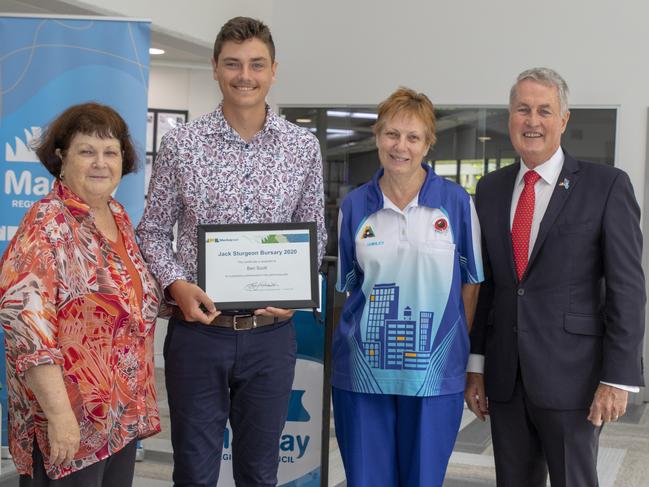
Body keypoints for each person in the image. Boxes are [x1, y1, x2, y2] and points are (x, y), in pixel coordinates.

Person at [136, 16, 326, 487]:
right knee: (194, 473)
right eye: (233, 64)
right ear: (215, 69)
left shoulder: (302, 147)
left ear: (274, 70)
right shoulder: (181, 143)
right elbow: (153, 232)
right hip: (199, 333)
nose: (246, 75)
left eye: (257, 64)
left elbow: (316, 235)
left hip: (271, 335)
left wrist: (297, 290)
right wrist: (177, 286)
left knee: (260, 473)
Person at [465, 67, 646, 486]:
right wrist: (476, 367)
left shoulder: (606, 186)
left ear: (563, 120)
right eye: (522, 109)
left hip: (575, 380)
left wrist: (617, 378)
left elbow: (628, 290)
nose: (532, 121)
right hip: (506, 379)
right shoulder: (490, 189)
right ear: (509, 117)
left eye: (544, 110)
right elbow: (486, 286)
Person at [0, 103, 163, 486]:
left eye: (110, 152)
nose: (100, 163)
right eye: (86, 151)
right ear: (61, 157)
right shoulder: (47, 222)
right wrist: (60, 417)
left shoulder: (118, 217)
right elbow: (26, 328)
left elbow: (131, 300)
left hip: (119, 421)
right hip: (70, 426)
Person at [333, 87, 483, 487]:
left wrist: (453, 350)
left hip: (432, 373)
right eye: (392, 134)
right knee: (366, 479)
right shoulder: (353, 206)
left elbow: (471, 285)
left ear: (428, 144)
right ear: (378, 137)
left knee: (423, 480)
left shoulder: (455, 203)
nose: (401, 146)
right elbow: (350, 287)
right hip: (363, 372)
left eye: (413, 137)